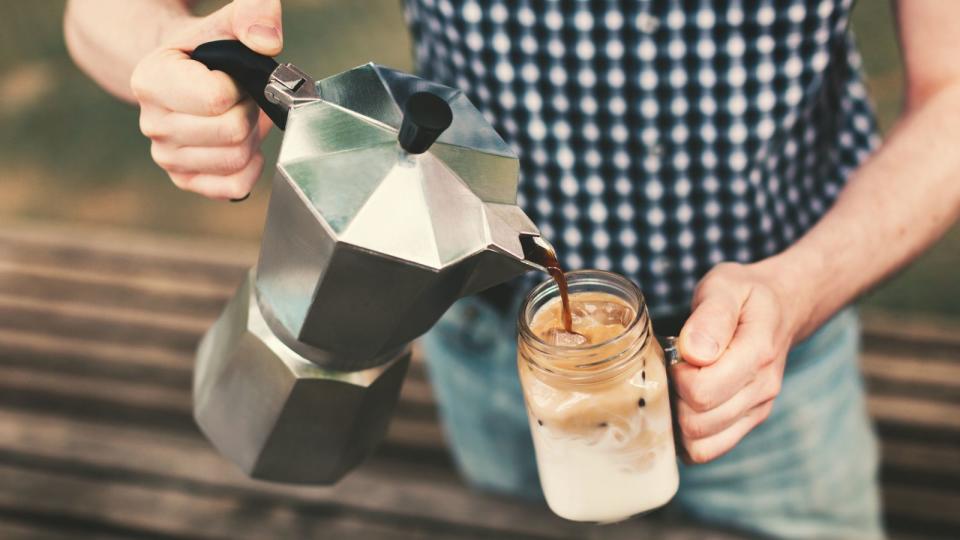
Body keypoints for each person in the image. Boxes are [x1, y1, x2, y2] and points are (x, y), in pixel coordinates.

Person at [65, 1, 960, 537]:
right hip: (488, 363)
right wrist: (169, 50)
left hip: (774, 383)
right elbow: (94, 12)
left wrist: (799, 288)